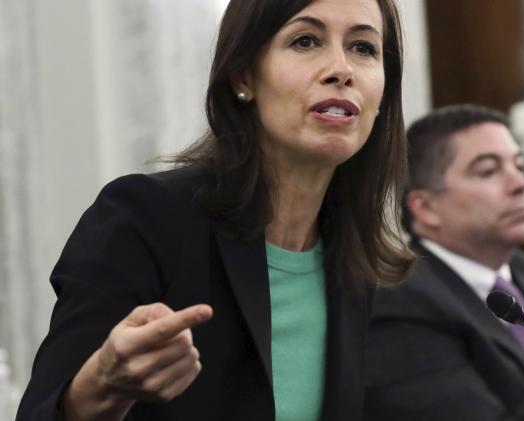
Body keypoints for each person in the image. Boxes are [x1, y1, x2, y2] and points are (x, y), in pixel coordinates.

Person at [17, 0, 413, 420]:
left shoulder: (365, 265)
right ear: (244, 76)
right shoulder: (144, 219)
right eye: (305, 40)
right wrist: (101, 386)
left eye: (364, 48)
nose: (341, 69)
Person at [364, 104, 524, 420]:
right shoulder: (398, 301)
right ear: (425, 207)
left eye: (520, 166)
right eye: (488, 171)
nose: (520, 184)